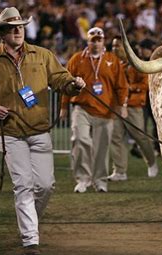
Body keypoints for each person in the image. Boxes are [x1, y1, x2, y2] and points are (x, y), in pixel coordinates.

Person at [0, 7, 85, 255]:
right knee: (23, 185)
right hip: (10, 132)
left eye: (21, 26)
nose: (18, 30)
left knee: (46, 185)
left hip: (40, 130)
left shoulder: (42, 55)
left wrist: (74, 85)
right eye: (12, 27)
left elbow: (61, 80)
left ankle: (31, 225)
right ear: (2, 33)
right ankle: (31, 238)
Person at [60, 27, 128, 193]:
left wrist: (123, 105)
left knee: (102, 147)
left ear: (103, 41)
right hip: (81, 107)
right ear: (88, 41)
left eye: (99, 40)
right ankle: (83, 179)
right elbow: (66, 85)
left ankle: (100, 180)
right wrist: (63, 107)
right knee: (80, 140)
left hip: (106, 109)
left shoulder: (112, 60)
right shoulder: (76, 59)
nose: (96, 43)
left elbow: (121, 86)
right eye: (93, 40)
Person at [108, 36, 158, 181]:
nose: (114, 49)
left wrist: (129, 88)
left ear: (126, 47)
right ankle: (120, 171)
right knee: (116, 137)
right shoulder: (111, 63)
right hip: (116, 105)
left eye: (117, 46)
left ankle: (152, 162)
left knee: (140, 137)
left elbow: (145, 84)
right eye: (113, 46)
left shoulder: (136, 63)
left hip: (133, 105)